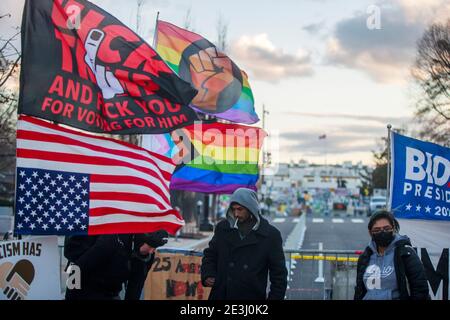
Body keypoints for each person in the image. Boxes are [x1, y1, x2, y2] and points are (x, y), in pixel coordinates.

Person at [201, 188, 287, 300]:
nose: (236, 213)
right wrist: (208, 274)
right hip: (221, 295)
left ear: (251, 208)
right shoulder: (223, 228)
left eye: (240, 209)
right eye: (233, 209)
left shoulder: (270, 235)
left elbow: (279, 276)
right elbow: (210, 255)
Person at [64, 230, 168, 300]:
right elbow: (76, 264)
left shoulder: (136, 235)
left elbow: (136, 281)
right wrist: (109, 240)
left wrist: (142, 255)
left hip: (111, 292)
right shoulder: (87, 218)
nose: (151, 251)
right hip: (81, 290)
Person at [354, 211, 429, 300]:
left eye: (386, 228)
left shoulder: (406, 254)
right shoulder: (365, 258)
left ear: (393, 229)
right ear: (370, 233)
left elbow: (420, 289)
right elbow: (359, 290)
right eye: (377, 230)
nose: (382, 232)